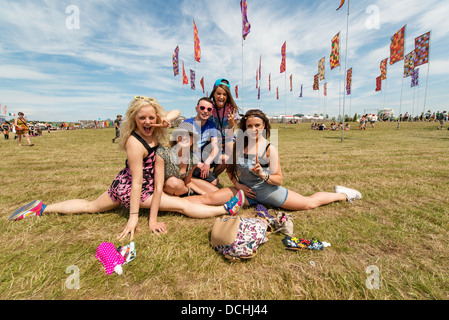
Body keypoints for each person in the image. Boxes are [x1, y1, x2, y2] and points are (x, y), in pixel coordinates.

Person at [9, 96, 245, 241]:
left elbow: (174, 113)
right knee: (182, 206)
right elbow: (138, 182)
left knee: (91, 206)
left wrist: (162, 119)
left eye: (150, 118)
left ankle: (43, 208)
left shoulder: (154, 128)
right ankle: (226, 209)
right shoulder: (135, 142)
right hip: (137, 188)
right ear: (133, 119)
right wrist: (135, 218)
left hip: (122, 184)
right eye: (141, 118)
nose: (147, 122)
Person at [221, 109, 361, 210]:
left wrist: (262, 174)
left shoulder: (270, 148)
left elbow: (279, 180)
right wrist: (237, 184)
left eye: (257, 125)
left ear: (263, 126)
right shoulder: (239, 146)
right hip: (247, 195)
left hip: (269, 193)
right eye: (249, 126)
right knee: (212, 199)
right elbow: (229, 163)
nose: (253, 129)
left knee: (308, 203)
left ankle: (343, 194)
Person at [157, 121, 218, 196]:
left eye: (189, 135)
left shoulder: (193, 159)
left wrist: (204, 194)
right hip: (166, 190)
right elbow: (158, 186)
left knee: (216, 191)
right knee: (173, 183)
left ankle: (192, 195)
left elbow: (187, 182)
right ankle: (191, 195)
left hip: (182, 186)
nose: (185, 137)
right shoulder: (163, 153)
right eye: (181, 134)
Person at [182, 97, 220, 187]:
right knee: (214, 182)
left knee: (224, 158)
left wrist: (207, 162)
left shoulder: (211, 125)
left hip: (200, 157)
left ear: (211, 112)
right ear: (197, 109)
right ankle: (187, 180)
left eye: (209, 109)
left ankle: (202, 176)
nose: (205, 111)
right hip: (187, 160)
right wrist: (198, 164)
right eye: (202, 108)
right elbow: (182, 151)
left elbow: (215, 147)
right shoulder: (187, 124)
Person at [209, 79, 239, 177]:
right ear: (213, 94)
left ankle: (212, 177)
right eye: (218, 93)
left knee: (230, 157)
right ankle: (207, 177)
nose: (221, 97)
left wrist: (231, 124)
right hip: (212, 139)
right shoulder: (209, 107)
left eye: (225, 94)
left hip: (227, 138)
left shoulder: (232, 109)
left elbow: (231, 132)